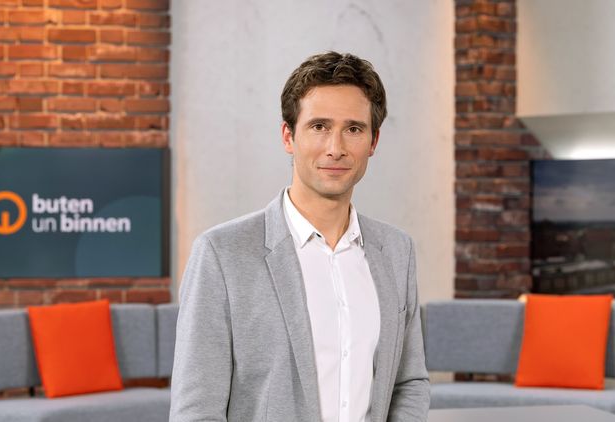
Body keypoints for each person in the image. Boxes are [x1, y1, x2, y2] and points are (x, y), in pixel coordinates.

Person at [169, 51, 430, 421]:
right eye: (319, 126)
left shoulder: (397, 251)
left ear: (373, 141)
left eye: (353, 129)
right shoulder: (220, 255)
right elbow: (196, 410)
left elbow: (409, 382)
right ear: (288, 136)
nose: (335, 148)